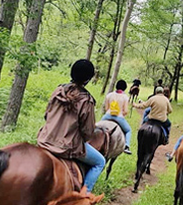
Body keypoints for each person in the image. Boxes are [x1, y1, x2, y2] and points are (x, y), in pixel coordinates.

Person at [36, 59, 106, 192]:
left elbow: (47, 115)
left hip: (45, 139)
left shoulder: (58, 90)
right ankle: (84, 195)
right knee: (100, 162)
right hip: (67, 146)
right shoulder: (86, 100)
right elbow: (88, 132)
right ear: (88, 79)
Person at [101, 79, 133, 154]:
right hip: (119, 117)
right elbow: (125, 111)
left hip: (108, 115)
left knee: (97, 126)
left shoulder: (109, 95)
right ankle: (126, 146)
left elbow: (106, 108)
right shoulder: (125, 97)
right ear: (124, 88)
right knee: (128, 130)